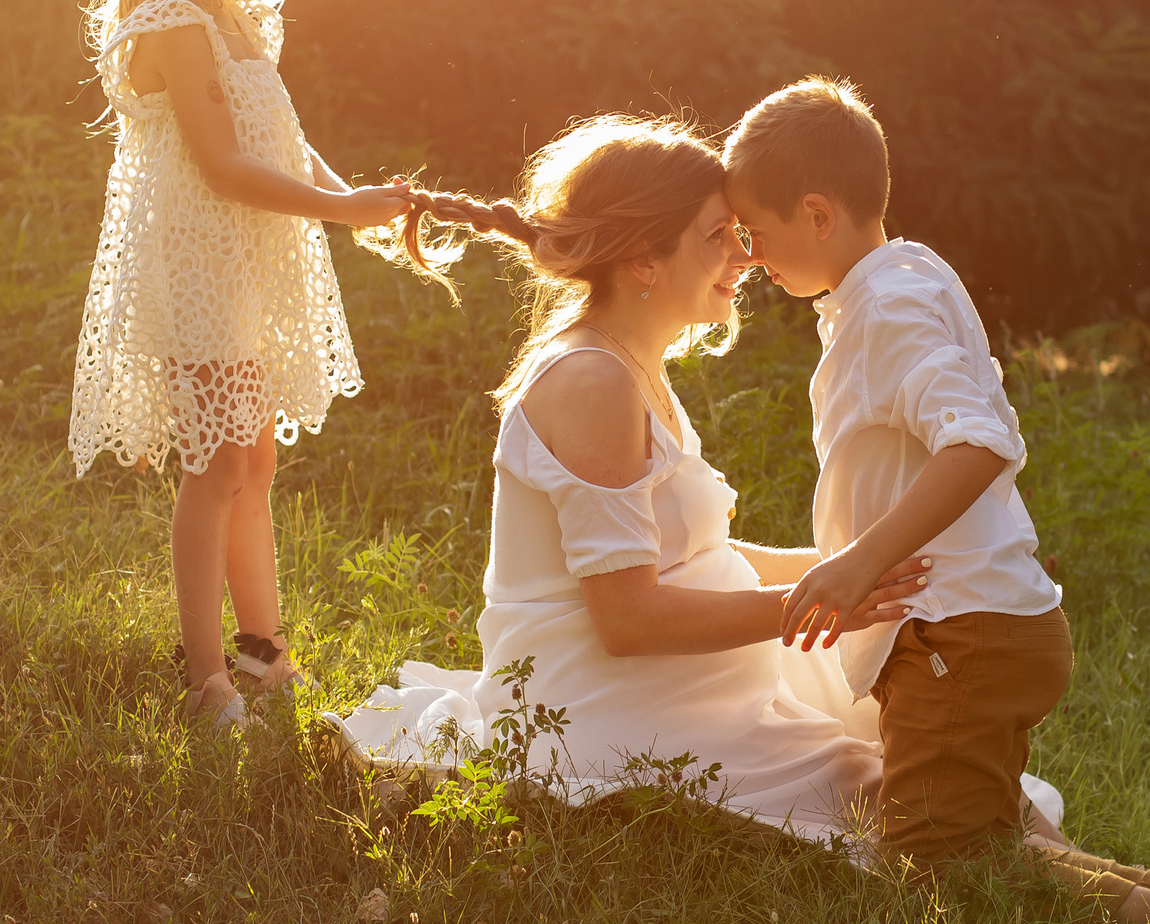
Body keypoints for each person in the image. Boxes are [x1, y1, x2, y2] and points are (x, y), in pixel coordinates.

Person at [723, 77, 1150, 924]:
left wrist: (857, 565)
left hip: (959, 638)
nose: (753, 258)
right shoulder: (901, 279)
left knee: (941, 867)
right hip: (979, 630)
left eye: (756, 235)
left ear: (816, 212)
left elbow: (981, 440)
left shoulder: (889, 306)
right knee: (980, 829)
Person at [328, 117, 946, 840]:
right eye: (717, 234)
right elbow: (626, 618)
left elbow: (694, 558)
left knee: (924, 745)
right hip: (605, 704)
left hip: (687, 683)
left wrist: (856, 567)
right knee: (886, 790)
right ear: (644, 261)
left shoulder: (633, 365)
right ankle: (1102, 898)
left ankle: (1098, 885)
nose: (743, 256)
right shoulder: (593, 383)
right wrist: (817, 604)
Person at [68, 0, 412, 729]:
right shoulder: (174, 22)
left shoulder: (237, 16)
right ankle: (206, 677)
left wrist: (356, 203)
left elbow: (283, 145)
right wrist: (338, 209)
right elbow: (222, 167)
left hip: (248, 268)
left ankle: (264, 654)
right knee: (215, 468)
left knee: (253, 459)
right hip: (196, 269)